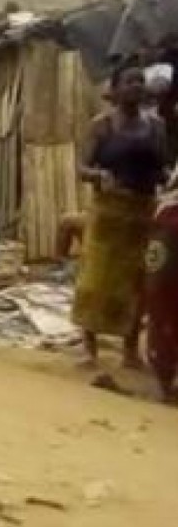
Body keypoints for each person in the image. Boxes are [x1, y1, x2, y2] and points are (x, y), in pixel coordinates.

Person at [73, 65, 168, 370]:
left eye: (140, 81)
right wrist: (99, 175)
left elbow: (162, 165)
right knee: (96, 279)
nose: (136, 87)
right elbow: (81, 168)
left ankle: (130, 350)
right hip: (108, 212)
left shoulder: (156, 127)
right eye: (129, 82)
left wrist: (166, 177)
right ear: (114, 90)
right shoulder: (101, 126)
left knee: (137, 282)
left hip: (144, 212)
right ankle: (90, 348)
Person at [146, 183, 178, 403]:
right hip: (168, 237)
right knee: (163, 313)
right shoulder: (166, 213)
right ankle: (165, 383)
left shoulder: (164, 212)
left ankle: (165, 383)